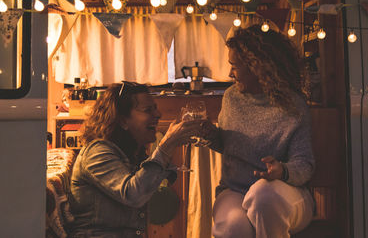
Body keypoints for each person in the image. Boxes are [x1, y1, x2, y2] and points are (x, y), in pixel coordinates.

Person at [203, 24, 315, 238]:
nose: (229, 73)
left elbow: (305, 165)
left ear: (257, 67)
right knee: (233, 228)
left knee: (263, 195)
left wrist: (282, 170)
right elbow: (228, 145)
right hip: (235, 191)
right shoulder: (231, 98)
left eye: (234, 66)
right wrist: (209, 134)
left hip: (284, 193)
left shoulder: (293, 105)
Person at [68, 81, 204, 238]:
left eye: (155, 108)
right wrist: (166, 145)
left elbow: (168, 177)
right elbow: (133, 194)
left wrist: (171, 146)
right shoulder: (96, 152)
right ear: (123, 120)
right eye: (148, 110)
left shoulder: (131, 154)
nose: (158, 114)